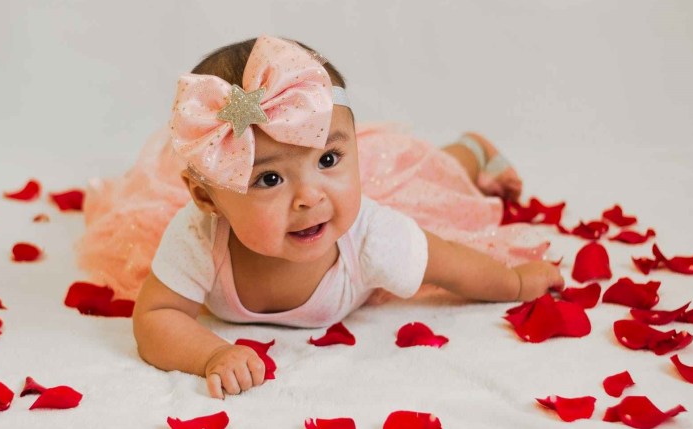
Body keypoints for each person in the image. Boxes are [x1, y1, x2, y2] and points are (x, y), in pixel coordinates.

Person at [76, 35, 563, 399]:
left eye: (329, 159)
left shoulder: (373, 235)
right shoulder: (198, 236)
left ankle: (471, 151)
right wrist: (212, 355)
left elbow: (449, 263)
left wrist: (515, 282)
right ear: (208, 200)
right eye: (269, 179)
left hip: (381, 206)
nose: (309, 197)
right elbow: (155, 316)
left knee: (428, 173)